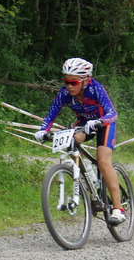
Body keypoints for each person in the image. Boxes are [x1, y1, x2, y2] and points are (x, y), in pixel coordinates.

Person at [34, 58, 126, 225]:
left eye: (73, 82)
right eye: (66, 81)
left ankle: (118, 208)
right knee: (71, 141)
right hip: (84, 124)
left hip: (104, 124)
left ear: (85, 80)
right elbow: (51, 114)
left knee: (103, 161)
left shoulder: (95, 88)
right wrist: (43, 130)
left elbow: (113, 113)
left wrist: (100, 121)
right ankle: (90, 176)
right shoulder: (64, 93)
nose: (69, 86)